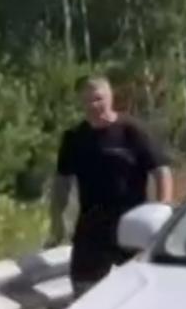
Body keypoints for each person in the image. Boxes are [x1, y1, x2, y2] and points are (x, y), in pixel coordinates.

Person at [49, 75, 173, 297]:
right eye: (87, 101)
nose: (93, 106)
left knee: (143, 289)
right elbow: (62, 182)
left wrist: (163, 209)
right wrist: (57, 220)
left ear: (110, 98)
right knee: (84, 290)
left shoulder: (131, 131)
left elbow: (161, 170)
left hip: (131, 223)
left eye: (98, 99)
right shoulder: (74, 138)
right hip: (92, 224)